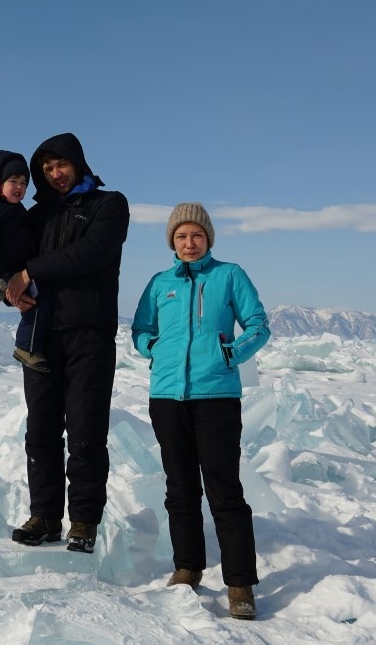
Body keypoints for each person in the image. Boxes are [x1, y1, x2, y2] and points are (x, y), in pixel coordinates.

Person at [130, 202, 270, 620]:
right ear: (172, 242)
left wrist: (231, 353)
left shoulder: (230, 275)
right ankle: (188, 567)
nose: (189, 243)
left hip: (217, 397)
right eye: (180, 237)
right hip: (168, 398)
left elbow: (259, 324)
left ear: (208, 238)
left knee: (225, 491)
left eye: (196, 235)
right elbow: (141, 329)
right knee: (180, 488)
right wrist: (151, 348)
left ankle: (240, 583)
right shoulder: (160, 282)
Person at [4, 133, 129, 554]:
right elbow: (7, 252)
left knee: (85, 431)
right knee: (40, 431)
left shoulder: (108, 205)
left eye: (61, 165)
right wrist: (8, 282)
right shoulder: (36, 216)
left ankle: (83, 521)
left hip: (88, 334)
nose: (55, 174)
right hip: (40, 334)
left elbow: (91, 254)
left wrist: (30, 271)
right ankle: (44, 515)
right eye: (47, 169)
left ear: (77, 163)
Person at [0, 149, 51, 372]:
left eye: (24, 183)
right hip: (8, 271)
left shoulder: (16, 210)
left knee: (40, 302)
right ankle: (26, 348)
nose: (19, 187)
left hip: (24, 268)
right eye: (13, 180)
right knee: (36, 305)